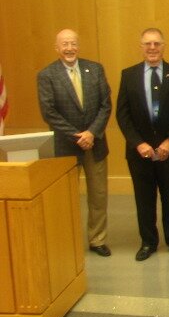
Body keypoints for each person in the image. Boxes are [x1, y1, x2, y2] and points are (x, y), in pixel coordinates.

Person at [116, 28, 169, 261]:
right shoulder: (128, 75)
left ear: (163, 46)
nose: (152, 48)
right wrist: (138, 143)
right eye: (147, 44)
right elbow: (123, 114)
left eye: (156, 44)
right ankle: (148, 242)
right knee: (144, 198)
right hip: (140, 152)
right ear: (141, 47)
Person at [37, 29, 113, 256]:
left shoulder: (95, 69)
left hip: (95, 143)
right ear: (57, 48)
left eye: (73, 44)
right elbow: (49, 113)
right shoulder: (47, 75)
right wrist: (77, 136)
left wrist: (91, 133)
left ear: (78, 46)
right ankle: (66, 240)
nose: (69, 48)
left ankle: (97, 239)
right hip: (66, 147)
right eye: (64, 44)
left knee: (98, 194)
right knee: (66, 197)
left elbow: (105, 105)